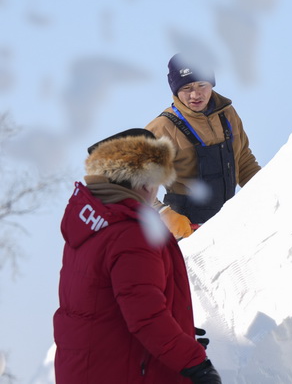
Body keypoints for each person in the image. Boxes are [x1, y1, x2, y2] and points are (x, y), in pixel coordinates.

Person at [53, 128, 222, 383]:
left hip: (88, 368)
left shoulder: (94, 221)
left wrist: (178, 325)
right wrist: (195, 363)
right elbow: (146, 317)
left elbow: (112, 302)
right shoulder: (131, 233)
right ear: (144, 181)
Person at [146, 53, 261, 238]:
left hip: (228, 222)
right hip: (185, 232)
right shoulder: (162, 129)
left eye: (202, 85)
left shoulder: (227, 115)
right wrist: (163, 214)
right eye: (186, 87)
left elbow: (244, 160)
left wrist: (266, 193)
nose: (196, 94)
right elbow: (132, 183)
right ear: (175, 90)